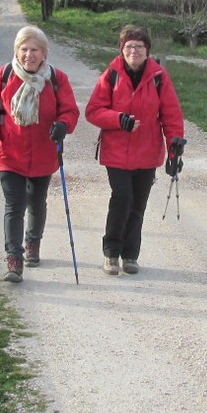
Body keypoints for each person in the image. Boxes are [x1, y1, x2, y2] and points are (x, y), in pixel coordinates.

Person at [0, 26, 79, 282]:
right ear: (17, 51)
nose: (29, 55)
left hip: (44, 153)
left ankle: (33, 243)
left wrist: (63, 125)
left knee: (36, 202)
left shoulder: (57, 79)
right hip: (9, 152)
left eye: (34, 50)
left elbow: (70, 111)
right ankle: (14, 259)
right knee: (14, 205)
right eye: (24, 49)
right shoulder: (4, 75)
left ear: (44, 53)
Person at [85, 25, 185, 276]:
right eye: (129, 46)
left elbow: (171, 114)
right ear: (121, 50)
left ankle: (130, 255)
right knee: (122, 198)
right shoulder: (111, 75)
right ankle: (111, 253)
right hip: (116, 151)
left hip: (147, 152)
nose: (134, 51)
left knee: (138, 204)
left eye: (139, 47)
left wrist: (174, 148)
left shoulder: (159, 76)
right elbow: (93, 111)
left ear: (147, 50)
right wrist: (119, 120)